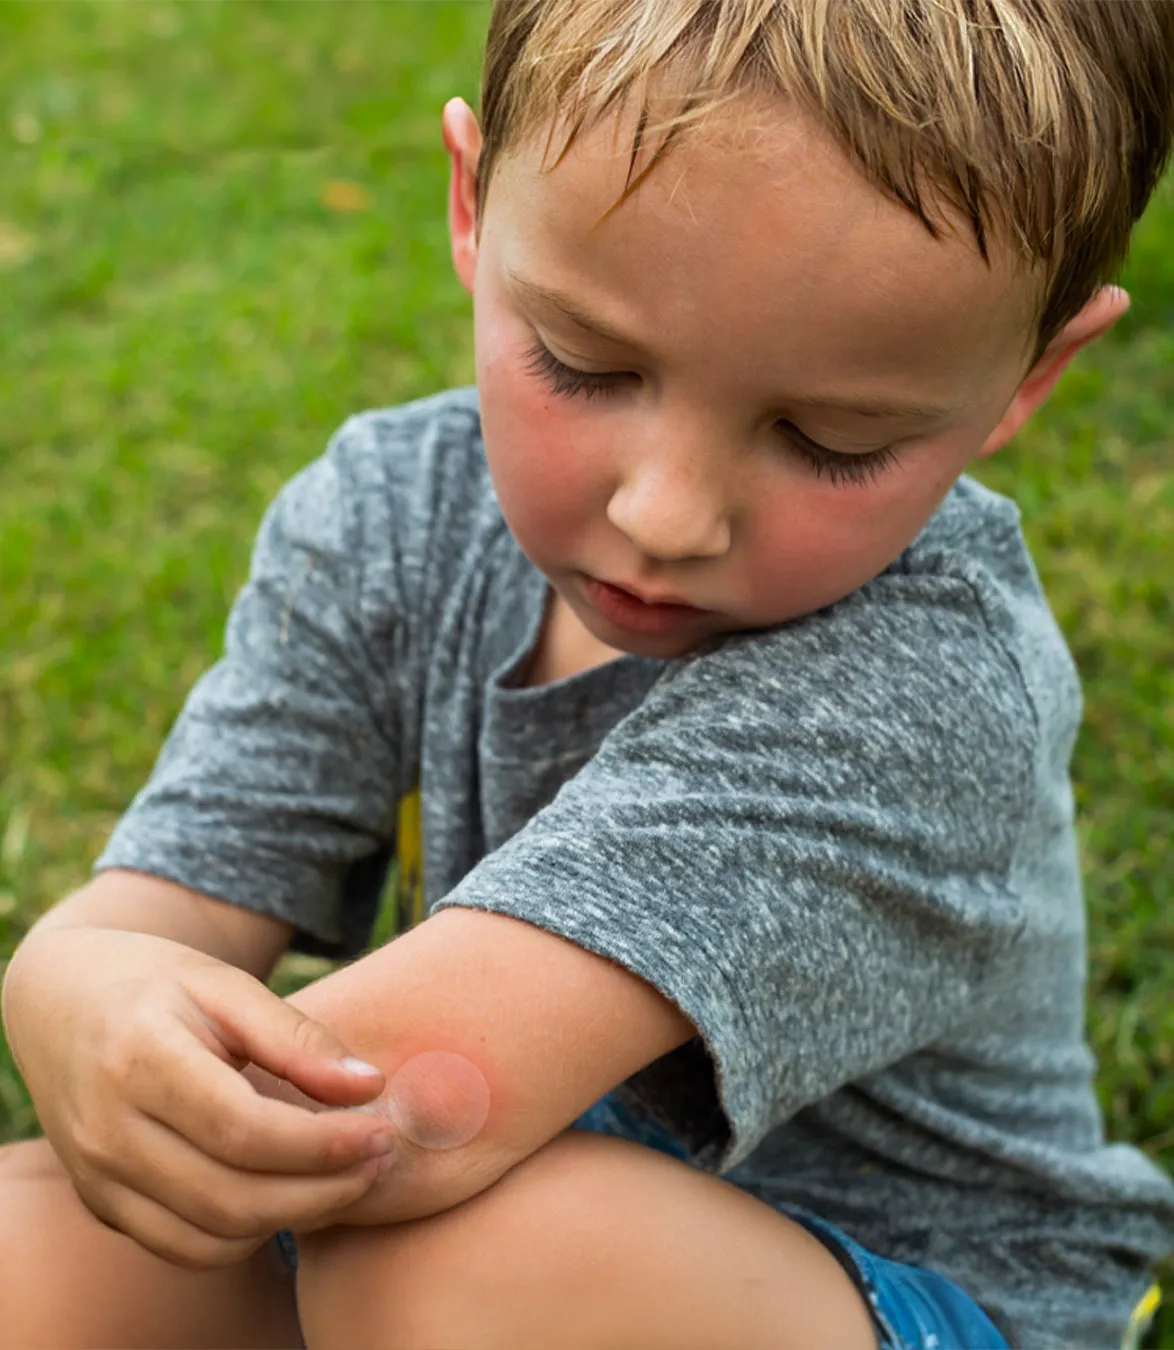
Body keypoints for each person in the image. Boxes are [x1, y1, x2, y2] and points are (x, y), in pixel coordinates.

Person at [3, 1, 1173, 1346]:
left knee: (457, 1262)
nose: (669, 513)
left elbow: (394, 1121)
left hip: (900, 1301)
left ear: (1027, 375)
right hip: (480, 1248)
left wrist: (170, 1074)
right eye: (584, 361)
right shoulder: (393, 512)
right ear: (470, 202)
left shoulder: (921, 682)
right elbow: (159, 915)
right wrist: (74, 987)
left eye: (834, 437)